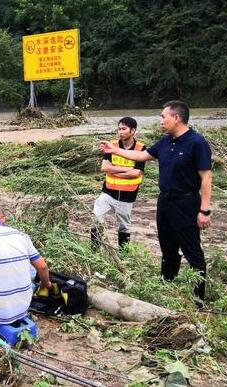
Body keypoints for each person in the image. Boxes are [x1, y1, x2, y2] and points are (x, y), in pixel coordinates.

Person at [99, 101, 212, 305]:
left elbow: (206, 177)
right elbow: (141, 155)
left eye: (163, 117)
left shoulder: (197, 142)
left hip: (186, 202)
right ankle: (167, 284)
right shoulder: (166, 141)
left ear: (176, 118)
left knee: (192, 251)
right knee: (167, 247)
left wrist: (205, 210)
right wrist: (113, 150)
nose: (161, 120)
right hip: (165, 201)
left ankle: (198, 300)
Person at [92, 117, 146, 249]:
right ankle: (94, 250)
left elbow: (137, 173)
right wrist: (127, 169)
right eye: (119, 129)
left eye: (124, 129)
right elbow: (104, 167)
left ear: (132, 131)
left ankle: (124, 253)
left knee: (124, 226)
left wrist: (113, 170)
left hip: (127, 195)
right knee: (97, 217)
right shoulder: (112, 145)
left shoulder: (141, 148)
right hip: (108, 191)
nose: (120, 132)